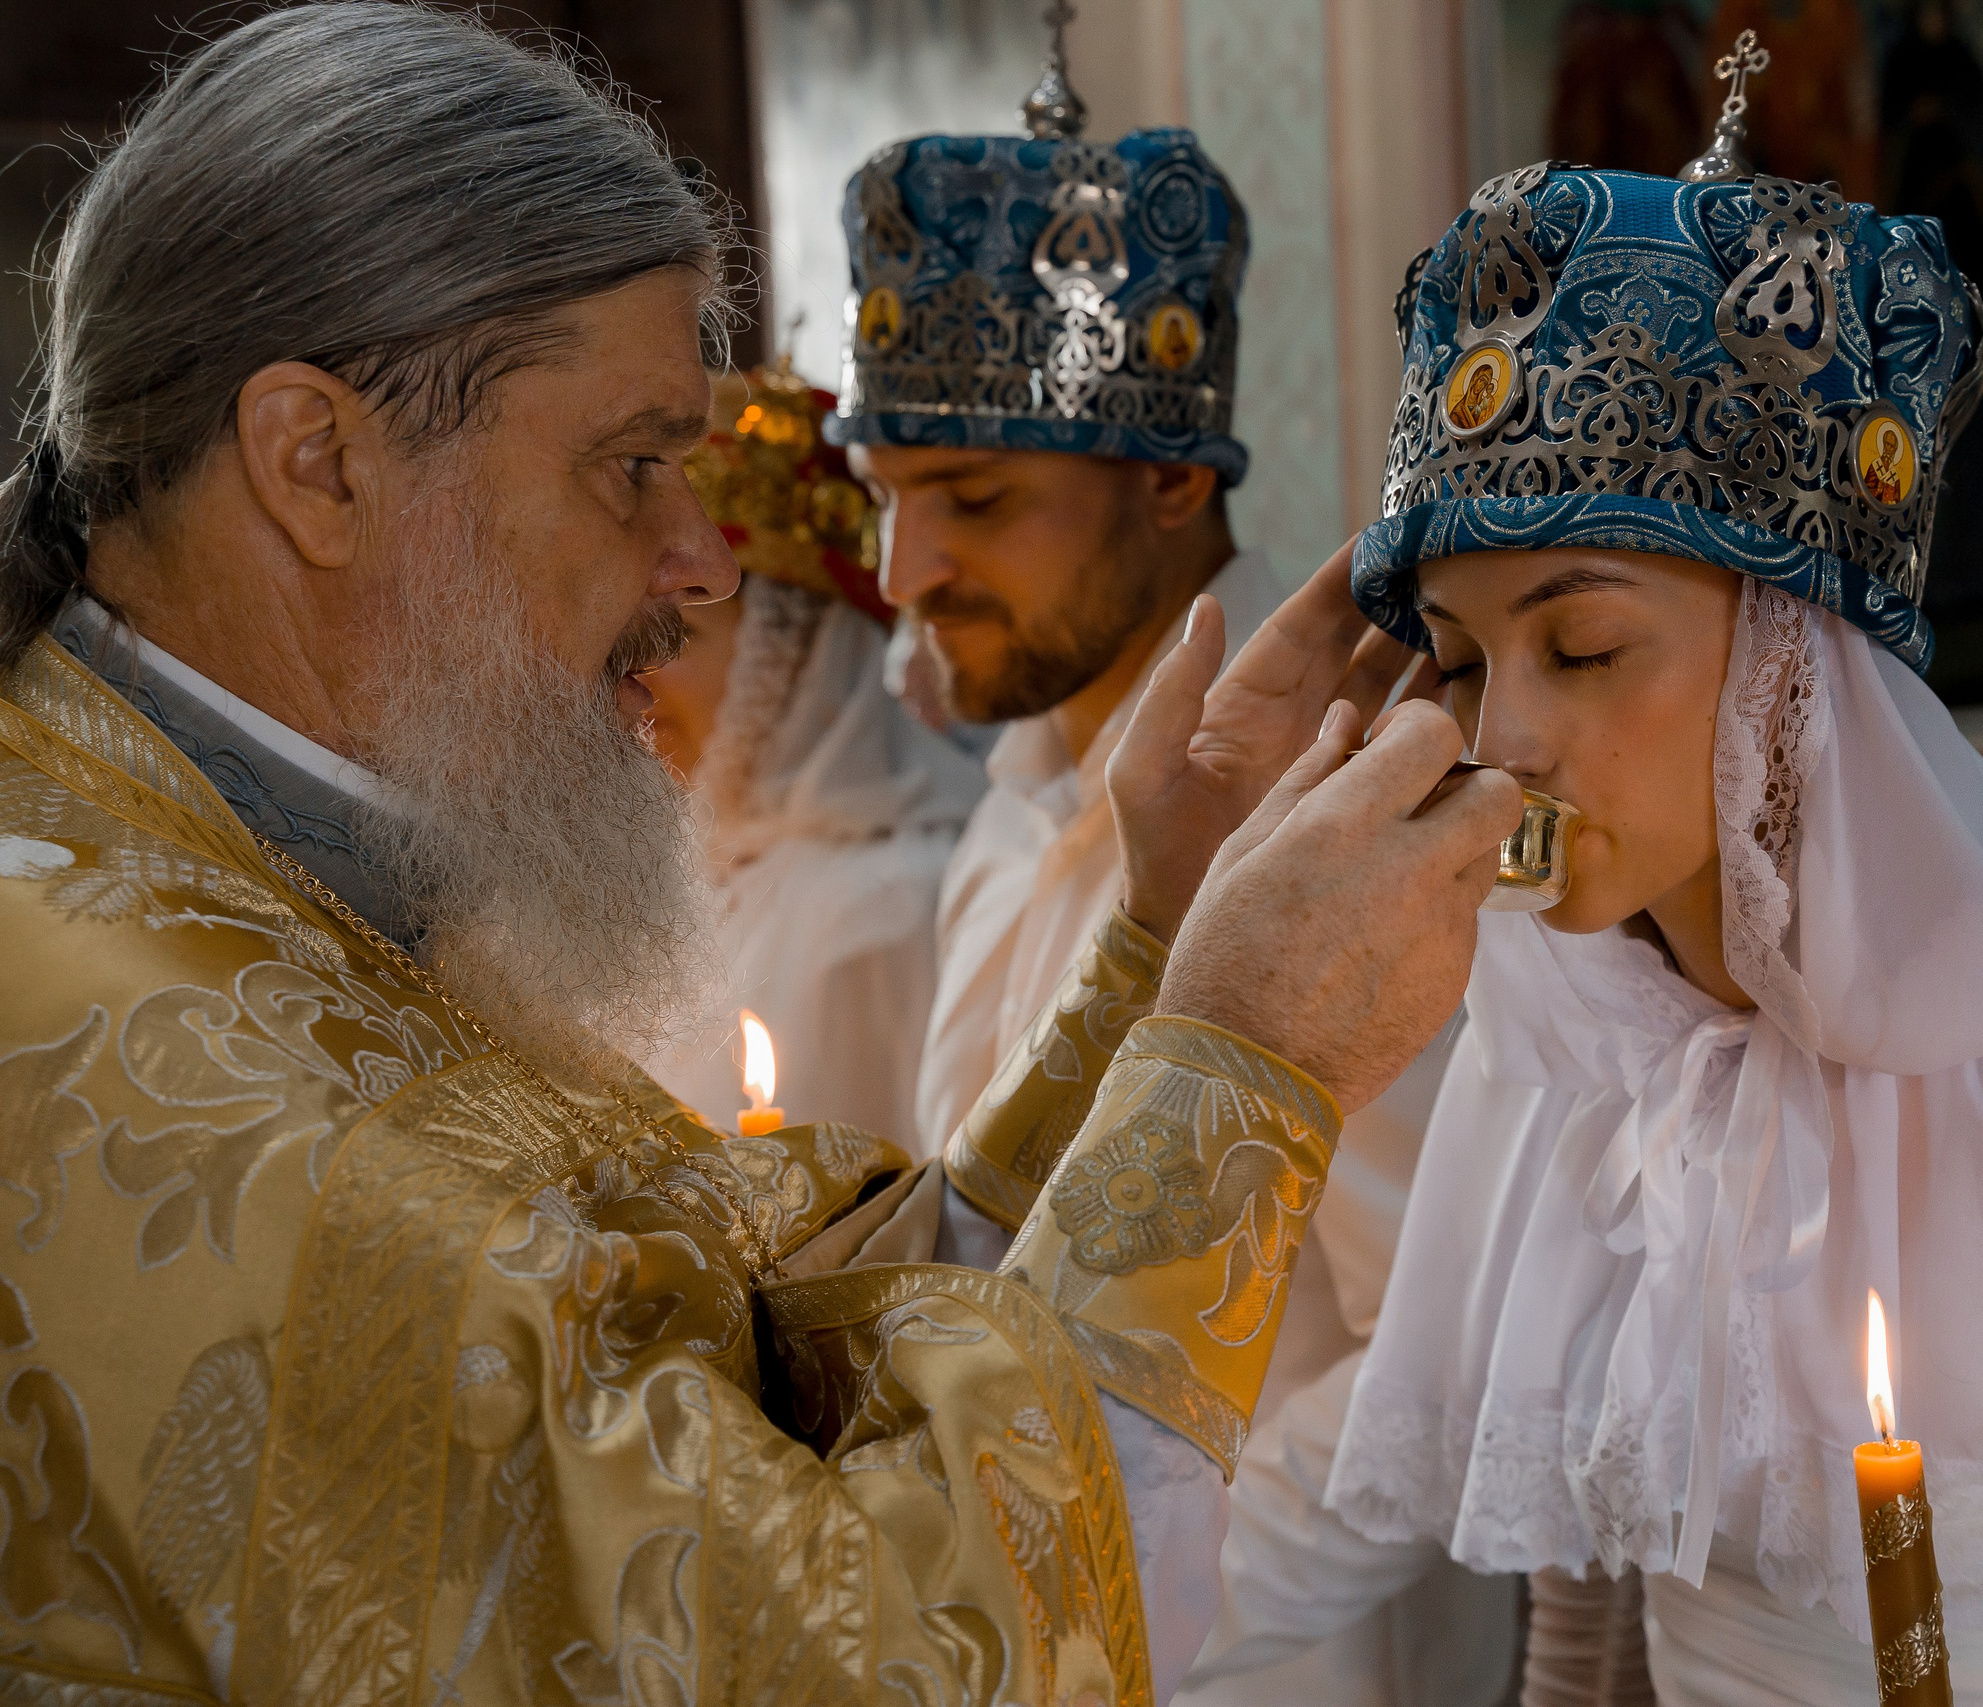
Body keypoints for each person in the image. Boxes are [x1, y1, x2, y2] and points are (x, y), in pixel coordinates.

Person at [0, 7, 1522, 1698]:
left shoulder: (242, 862)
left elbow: (699, 1362)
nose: (708, 563)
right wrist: (1239, 1060)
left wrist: (1161, 954)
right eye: (634, 467)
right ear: (318, 462)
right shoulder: (169, 1079)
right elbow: (861, 1650)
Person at [1186, 161, 1983, 1707]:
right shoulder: (1575, 1068)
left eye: (1582, 643)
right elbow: (1577, 1584)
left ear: (1796, 664)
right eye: (1455, 657)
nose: (1500, 731)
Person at [833, 65, 1515, 1706]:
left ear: (1169, 480)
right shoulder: (1007, 799)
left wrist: (1101, 1612)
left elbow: (1439, 1360)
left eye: (973, 500)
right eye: (887, 500)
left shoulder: (1349, 802)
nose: (902, 577)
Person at [641, 360, 985, 1146]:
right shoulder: (691, 878)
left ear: (799, 658)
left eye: (677, 639)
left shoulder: (887, 909)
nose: (637, 678)